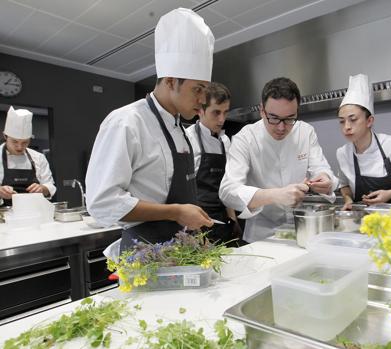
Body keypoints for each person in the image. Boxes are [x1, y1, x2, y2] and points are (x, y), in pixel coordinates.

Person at [86, 8, 214, 252]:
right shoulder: (126, 122)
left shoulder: (180, 130)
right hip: (143, 256)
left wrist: (195, 231)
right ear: (169, 81)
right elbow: (103, 203)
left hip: (182, 251)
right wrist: (176, 212)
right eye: (197, 89)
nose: (203, 99)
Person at [219, 77, 338, 243]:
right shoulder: (245, 138)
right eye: (273, 118)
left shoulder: (305, 132)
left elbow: (321, 169)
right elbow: (227, 191)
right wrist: (275, 195)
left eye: (290, 118)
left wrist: (326, 180)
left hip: (301, 232)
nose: (282, 127)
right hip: (260, 238)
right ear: (262, 111)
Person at [336, 74, 391, 209]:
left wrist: (390, 194)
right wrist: (348, 200)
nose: (346, 127)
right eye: (342, 121)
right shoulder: (342, 153)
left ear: (369, 121)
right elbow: (344, 184)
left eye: (353, 119)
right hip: (362, 221)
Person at [185, 82, 242, 244]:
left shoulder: (225, 141)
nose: (222, 119)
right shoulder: (187, 139)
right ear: (200, 110)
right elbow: (183, 192)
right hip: (197, 223)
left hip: (223, 220)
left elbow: (227, 184)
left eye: (225, 112)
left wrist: (233, 220)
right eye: (216, 112)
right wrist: (195, 232)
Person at [0, 106, 56, 206]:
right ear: (5, 136)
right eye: (15, 141)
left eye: (25, 142)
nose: (19, 147)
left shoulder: (38, 157)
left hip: (34, 211)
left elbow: (50, 185)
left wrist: (43, 188)